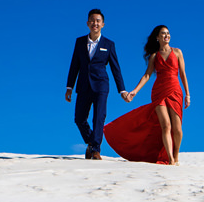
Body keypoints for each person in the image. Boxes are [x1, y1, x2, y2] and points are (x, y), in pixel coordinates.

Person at [104, 25, 190, 164]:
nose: (166, 36)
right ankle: (171, 159)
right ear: (157, 37)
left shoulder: (178, 52)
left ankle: (176, 155)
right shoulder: (154, 56)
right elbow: (147, 75)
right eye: (163, 34)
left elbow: (183, 74)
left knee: (177, 129)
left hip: (175, 91)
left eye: (168, 33)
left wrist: (187, 94)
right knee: (166, 126)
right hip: (159, 92)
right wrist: (134, 91)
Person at [65, 9, 127, 160]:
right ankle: (91, 143)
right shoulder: (79, 42)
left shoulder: (109, 44)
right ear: (87, 23)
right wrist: (69, 87)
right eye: (92, 20)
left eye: (98, 21)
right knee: (79, 118)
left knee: (99, 117)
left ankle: (95, 150)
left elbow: (115, 68)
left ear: (103, 24)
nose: (95, 23)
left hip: (101, 86)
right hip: (83, 85)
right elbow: (74, 65)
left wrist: (122, 90)